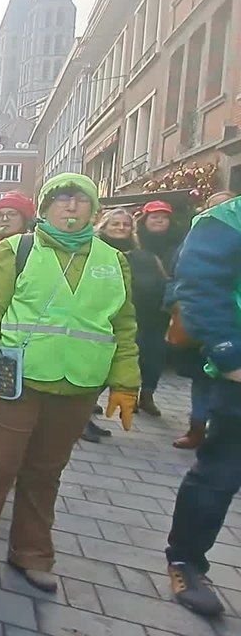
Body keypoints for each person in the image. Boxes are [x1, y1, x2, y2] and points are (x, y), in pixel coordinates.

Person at [0, 173, 139, 594]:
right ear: (46, 207)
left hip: (79, 384)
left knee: (46, 472)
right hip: (15, 381)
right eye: (61, 198)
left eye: (80, 199)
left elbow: (124, 325)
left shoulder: (113, 259)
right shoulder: (18, 249)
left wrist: (126, 382)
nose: (71, 206)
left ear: (94, 209)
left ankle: (32, 553)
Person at [163, 191, 241, 617]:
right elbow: (197, 285)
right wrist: (230, 355)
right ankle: (186, 561)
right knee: (220, 474)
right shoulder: (227, 219)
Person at [170, 190, 237, 450]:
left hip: (219, 325)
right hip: (211, 326)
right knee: (203, 379)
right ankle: (197, 428)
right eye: (215, 206)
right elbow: (185, 278)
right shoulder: (205, 234)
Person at [98, 206, 170, 427]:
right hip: (111, 320)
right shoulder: (96, 252)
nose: (121, 228)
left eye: (126, 224)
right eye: (115, 224)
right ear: (104, 227)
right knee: (106, 366)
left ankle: (145, 396)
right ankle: (83, 410)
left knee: (152, 358)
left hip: (150, 317)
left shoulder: (145, 256)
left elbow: (164, 281)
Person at [130, 199, 182, 416]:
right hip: (136, 308)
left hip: (162, 310)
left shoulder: (177, 245)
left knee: (156, 355)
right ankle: (130, 393)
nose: (159, 220)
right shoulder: (135, 243)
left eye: (164, 217)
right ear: (145, 220)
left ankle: (147, 395)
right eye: (154, 216)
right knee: (134, 352)